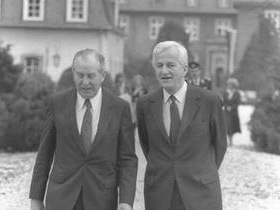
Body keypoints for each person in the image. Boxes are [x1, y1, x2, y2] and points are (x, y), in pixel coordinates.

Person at [29, 49, 138, 210]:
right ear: (73, 73)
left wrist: (126, 200)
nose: (85, 82)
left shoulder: (119, 108)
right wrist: (36, 197)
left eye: (91, 76)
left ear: (103, 76)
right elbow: (44, 154)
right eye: (80, 75)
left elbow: (127, 159)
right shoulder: (57, 104)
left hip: (102, 199)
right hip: (61, 198)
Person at [136, 41, 227, 210]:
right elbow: (147, 145)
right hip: (160, 193)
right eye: (159, 65)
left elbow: (220, 144)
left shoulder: (209, 101)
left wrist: (201, 172)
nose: (164, 71)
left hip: (201, 193)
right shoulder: (144, 104)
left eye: (170, 65)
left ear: (185, 69)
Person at [223, 77, 241, 146]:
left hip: (233, 112)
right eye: (228, 84)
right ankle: (227, 140)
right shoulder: (225, 93)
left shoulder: (237, 93)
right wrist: (227, 107)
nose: (228, 86)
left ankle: (231, 140)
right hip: (226, 112)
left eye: (230, 84)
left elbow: (237, 103)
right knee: (226, 126)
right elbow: (224, 101)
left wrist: (231, 108)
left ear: (233, 85)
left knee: (232, 127)